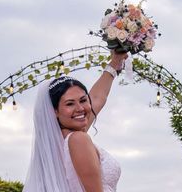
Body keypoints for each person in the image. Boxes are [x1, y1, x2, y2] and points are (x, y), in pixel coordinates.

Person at [23, 50, 128, 191]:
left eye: (83, 100)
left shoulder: (58, 139)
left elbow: (97, 98)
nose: (80, 108)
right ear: (54, 111)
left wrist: (115, 63)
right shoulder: (78, 139)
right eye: (70, 104)